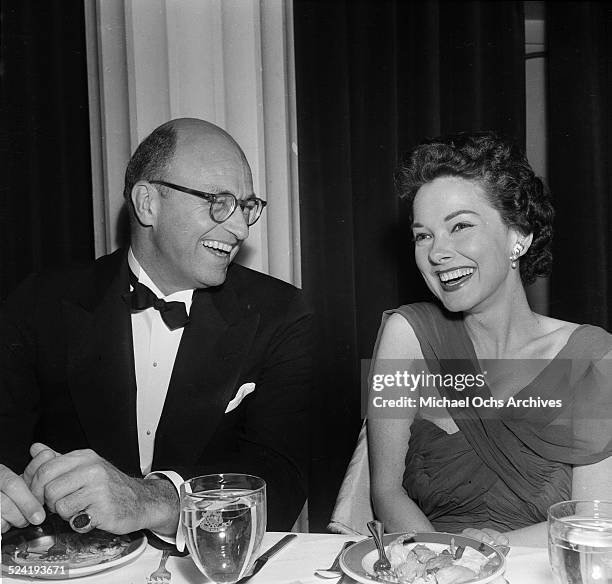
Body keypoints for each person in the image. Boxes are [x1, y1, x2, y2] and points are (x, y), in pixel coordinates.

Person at [0, 118, 311, 543]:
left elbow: (283, 480)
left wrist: (150, 502)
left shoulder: (283, 313)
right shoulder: (39, 304)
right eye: (219, 202)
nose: (240, 229)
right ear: (147, 203)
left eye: (246, 206)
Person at [368, 132, 612, 547]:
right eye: (423, 235)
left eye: (459, 226)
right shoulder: (405, 336)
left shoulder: (593, 358)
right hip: (428, 565)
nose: (437, 252)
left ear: (518, 236)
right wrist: (444, 565)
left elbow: (594, 520)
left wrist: (486, 556)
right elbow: (386, 493)